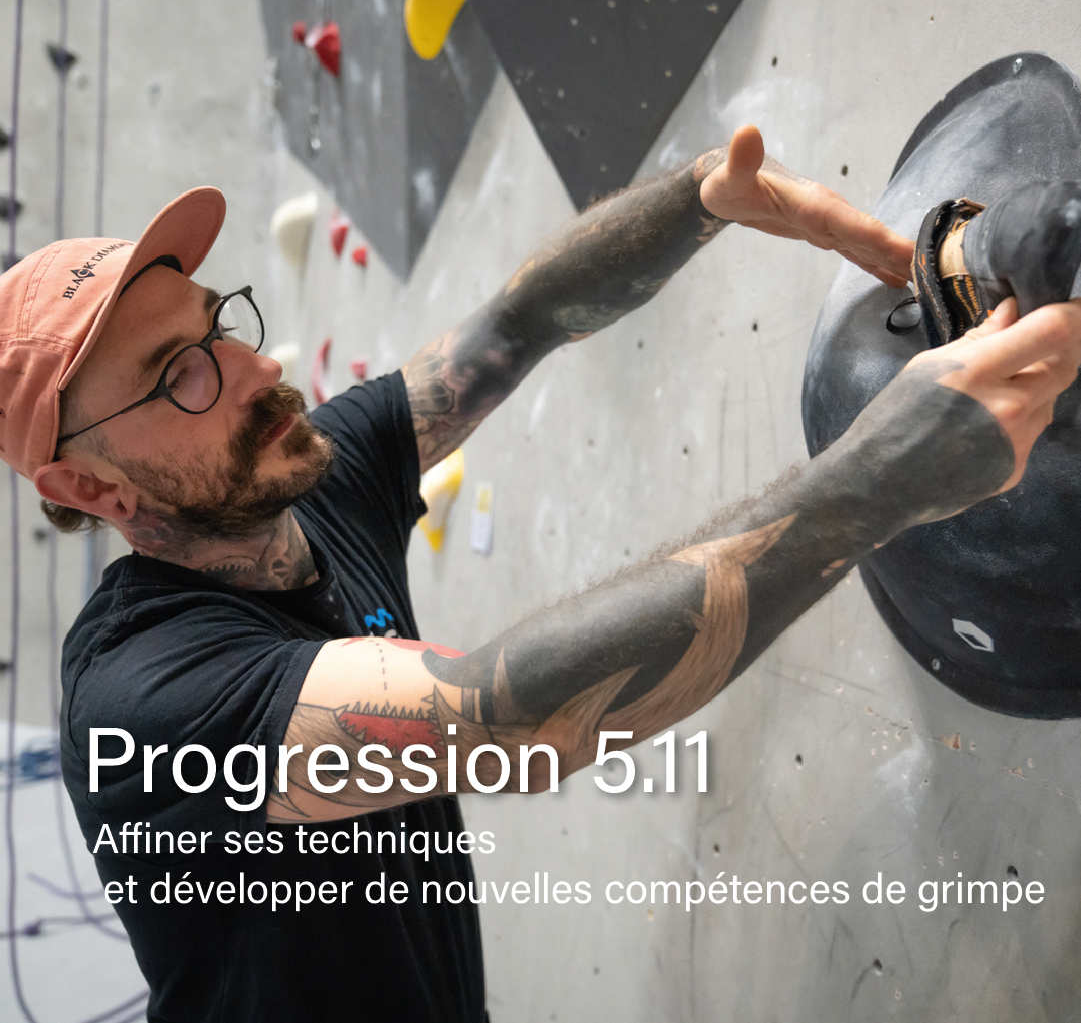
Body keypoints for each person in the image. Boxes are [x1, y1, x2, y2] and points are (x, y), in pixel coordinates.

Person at [1, 125, 1078, 1023]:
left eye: (218, 327)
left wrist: (699, 195)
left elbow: (519, 322)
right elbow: (503, 714)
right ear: (93, 490)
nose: (257, 368)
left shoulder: (296, 475)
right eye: (182, 374)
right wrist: (873, 481)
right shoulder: (145, 700)